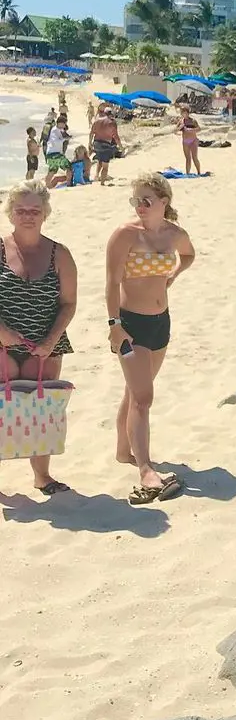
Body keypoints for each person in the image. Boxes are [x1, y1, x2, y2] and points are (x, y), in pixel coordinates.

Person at [105, 172, 195, 505]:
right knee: (143, 398)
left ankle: (122, 451)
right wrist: (114, 324)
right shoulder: (124, 235)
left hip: (161, 324)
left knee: (135, 391)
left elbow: (189, 255)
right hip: (130, 325)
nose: (141, 207)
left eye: (147, 200)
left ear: (164, 202)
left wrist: (172, 276)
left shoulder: (174, 234)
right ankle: (144, 468)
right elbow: (111, 283)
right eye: (136, 201)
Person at [0, 181, 77, 495]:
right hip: (1, 341)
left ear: (45, 213)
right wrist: (2, 332)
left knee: (41, 414)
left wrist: (49, 341)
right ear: (10, 213)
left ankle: (42, 477)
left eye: (34, 210)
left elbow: (69, 303)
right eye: (21, 210)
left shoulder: (60, 253)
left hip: (47, 345)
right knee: (1, 411)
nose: (28, 216)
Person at [89, 105, 121, 183]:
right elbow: (116, 136)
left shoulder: (97, 121)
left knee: (100, 160)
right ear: (111, 114)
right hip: (106, 144)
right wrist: (121, 147)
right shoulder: (112, 122)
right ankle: (102, 183)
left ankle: (96, 176)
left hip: (96, 143)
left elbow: (91, 133)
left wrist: (89, 143)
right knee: (105, 166)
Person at [44, 114, 71, 188]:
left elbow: (63, 136)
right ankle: (69, 185)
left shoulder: (60, 130)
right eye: (64, 123)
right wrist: (64, 139)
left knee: (52, 170)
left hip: (50, 153)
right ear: (60, 123)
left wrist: (67, 137)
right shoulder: (54, 130)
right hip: (55, 154)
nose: (65, 125)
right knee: (69, 167)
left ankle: (47, 187)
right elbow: (55, 141)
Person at [175, 107, 202, 175]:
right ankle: (187, 173)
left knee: (194, 157)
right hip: (185, 141)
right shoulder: (181, 121)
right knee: (188, 158)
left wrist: (191, 130)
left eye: (185, 113)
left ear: (187, 113)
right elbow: (175, 130)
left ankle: (199, 172)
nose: (184, 114)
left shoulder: (193, 121)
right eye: (182, 113)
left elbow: (199, 129)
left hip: (193, 140)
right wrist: (180, 128)